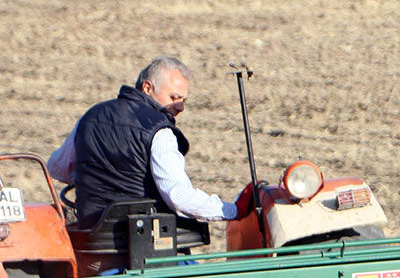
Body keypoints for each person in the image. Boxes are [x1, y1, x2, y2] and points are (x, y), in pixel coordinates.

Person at [47, 56, 252, 228]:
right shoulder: (159, 131)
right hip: (141, 242)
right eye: (174, 97)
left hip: (90, 237)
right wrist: (233, 209)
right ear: (147, 88)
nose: (180, 107)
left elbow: (57, 168)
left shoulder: (90, 116)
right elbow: (179, 197)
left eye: (184, 100)